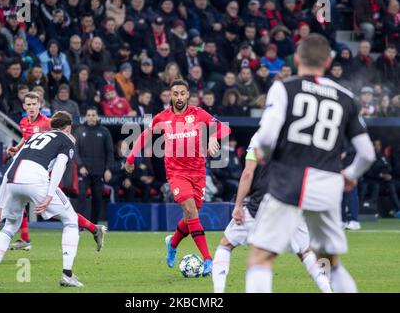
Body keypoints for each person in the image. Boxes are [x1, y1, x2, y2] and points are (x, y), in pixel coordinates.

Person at [245, 34, 375, 293]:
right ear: (328, 62)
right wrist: (350, 174)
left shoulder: (284, 88)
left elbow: (268, 136)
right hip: (327, 184)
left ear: (296, 59)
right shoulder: (345, 96)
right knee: (330, 263)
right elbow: (367, 154)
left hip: (288, 181)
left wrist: (262, 151)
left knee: (260, 257)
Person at [125, 79, 231, 276]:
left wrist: (213, 137)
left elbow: (224, 128)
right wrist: (131, 158)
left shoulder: (198, 114)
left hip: (198, 173)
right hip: (176, 173)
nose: (179, 97)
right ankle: (208, 259)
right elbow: (144, 137)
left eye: (183, 93)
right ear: (170, 96)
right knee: (191, 211)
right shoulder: (162, 118)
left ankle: (172, 243)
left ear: (188, 95)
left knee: (190, 216)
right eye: (176, 94)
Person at [212, 133, 332, 293]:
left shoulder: (260, 137)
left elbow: (248, 173)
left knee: (226, 245)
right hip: (291, 203)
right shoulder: (298, 137)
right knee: (305, 252)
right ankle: (328, 289)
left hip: (261, 204)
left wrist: (238, 205)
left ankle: (217, 294)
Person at [0, 112, 85, 288]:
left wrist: (0, 205)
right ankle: (67, 274)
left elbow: (11, 166)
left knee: (10, 226)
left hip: (13, 180)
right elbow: (59, 167)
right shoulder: (67, 140)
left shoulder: (34, 136)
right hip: (36, 180)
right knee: (71, 220)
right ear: (68, 127)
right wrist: (50, 194)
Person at [6, 93, 105, 251]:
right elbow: (28, 138)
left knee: (64, 213)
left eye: (34, 104)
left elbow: (64, 136)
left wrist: (71, 145)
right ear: (24, 106)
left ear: (40, 105)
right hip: (30, 171)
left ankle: (93, 228)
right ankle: (25, 238)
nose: (31, 107)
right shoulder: (23, 122)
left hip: (45, 173)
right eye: (28, 104)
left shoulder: (47, 123)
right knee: (19, 201)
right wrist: (17, 148)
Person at [74, 107, 114, 224]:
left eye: (93, 115)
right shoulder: (80, 131)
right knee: (81, 197)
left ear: (97, 117)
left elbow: (110, 152)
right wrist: (80, 166)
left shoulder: (104, 131)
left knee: (97, 198)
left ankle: (94, 224)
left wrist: (108, 169)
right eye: (89, 115)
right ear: (86, 117)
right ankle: (79, 224)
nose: (91, 117)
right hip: (83, 171)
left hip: (99, 171)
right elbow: (75, 151)